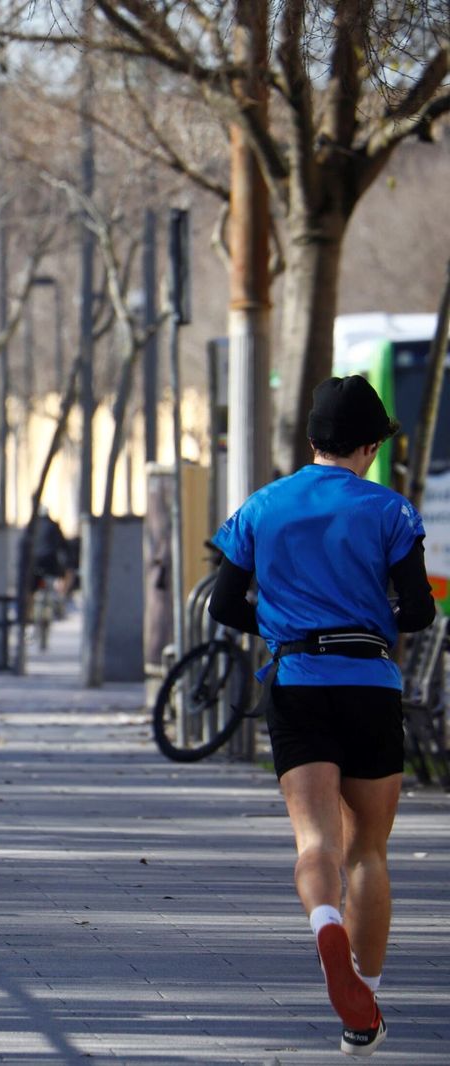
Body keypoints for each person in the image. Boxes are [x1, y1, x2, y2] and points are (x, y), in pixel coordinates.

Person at [208, 375, 433, 1057]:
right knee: (369, 850)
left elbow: (224, 604)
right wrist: (373, 617)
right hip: (369, 684)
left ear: (311, 440)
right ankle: (364, 1003)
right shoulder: (391, 511)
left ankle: (325, 925)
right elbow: (420, 612)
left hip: (297, 679)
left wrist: (281, 626)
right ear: (369, 447)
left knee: (315, 844)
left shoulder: (262, 506)